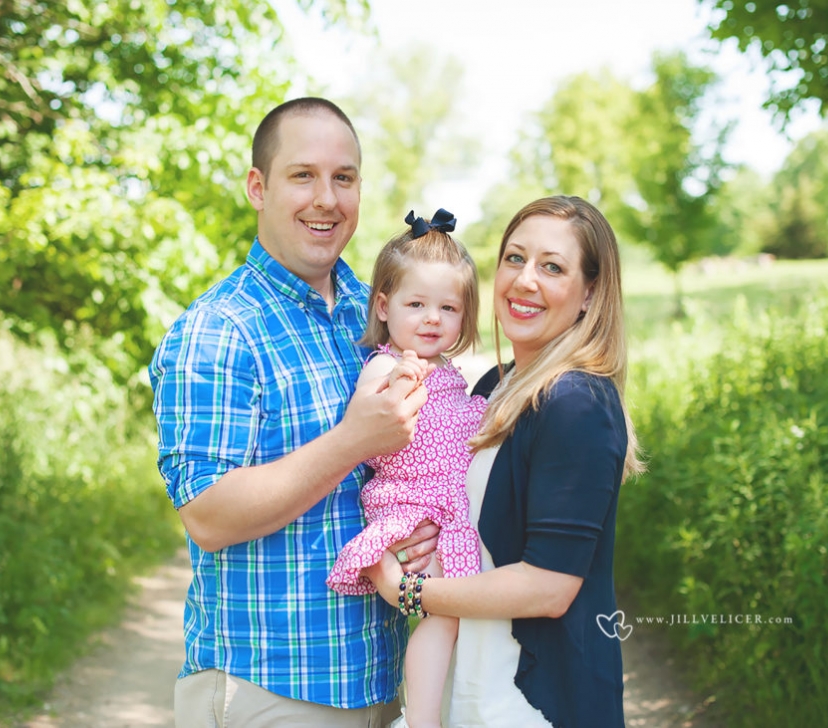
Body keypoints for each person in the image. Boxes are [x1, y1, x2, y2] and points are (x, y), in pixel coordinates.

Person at [148, 97, 439, 728]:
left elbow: (400, 469)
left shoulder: (378, 313)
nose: (326, 199)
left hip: (383, 680)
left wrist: (420, 527)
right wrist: (351, 441)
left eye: (344, 178)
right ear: (258, 187)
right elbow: (208, 516)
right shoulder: (219, 329)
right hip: (270, 689)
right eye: (302, 175)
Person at [364, 195, 645, 728]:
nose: (525, 280)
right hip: (473, 681)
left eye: (553, 267)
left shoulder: (576, 403)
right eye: (515, 258)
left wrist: (407, 589)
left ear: (589, 294)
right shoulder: (494, 387)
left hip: (536, 701)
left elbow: (549, 586)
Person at [326, 209, 487, 728]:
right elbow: (366, 426)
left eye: (448, 307)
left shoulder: (449, 372)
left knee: (454, 617)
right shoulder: (384, 364)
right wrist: (398, 382)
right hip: (410, 504)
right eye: (416, 304)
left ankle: (437, 710)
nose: (432, 318)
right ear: (384, 306)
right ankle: (422, 719)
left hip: (447, 509)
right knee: (443, 615)